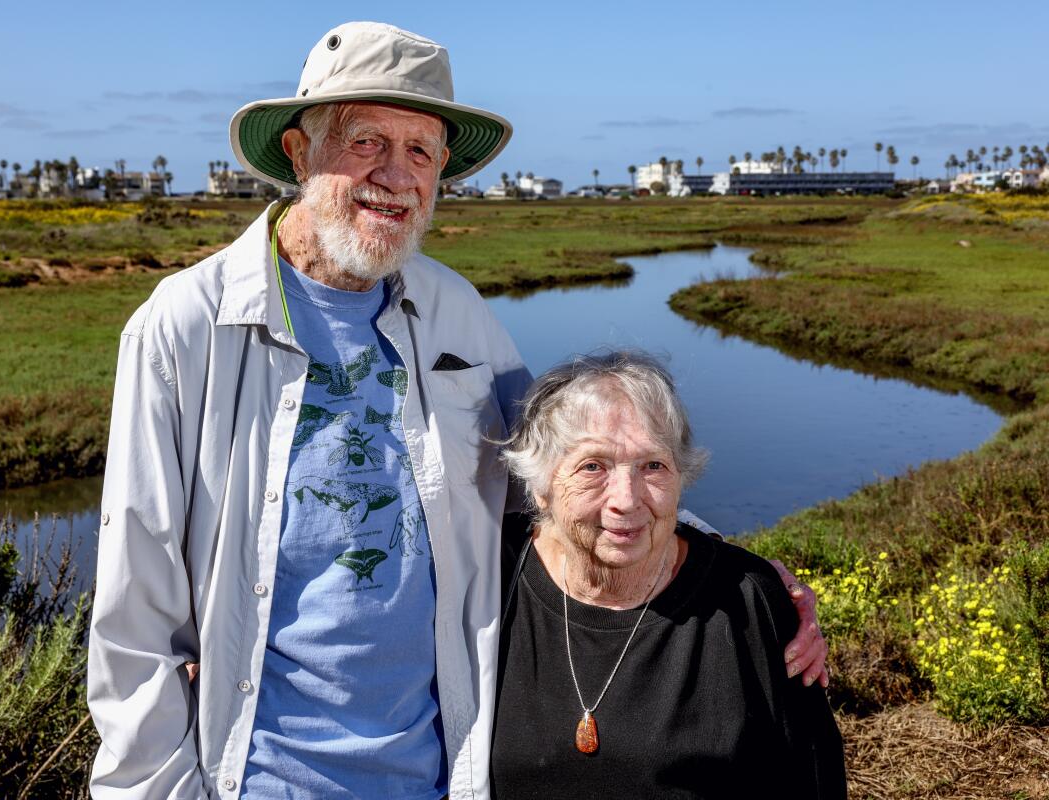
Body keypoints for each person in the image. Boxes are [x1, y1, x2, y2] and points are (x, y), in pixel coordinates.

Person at [86, 21, 828, 800]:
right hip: (253, 780)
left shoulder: (452, 311)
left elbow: (556, 469)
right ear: (300, 154)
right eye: (367, 142)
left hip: (438, 779)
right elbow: (134, 621)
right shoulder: (184, 327)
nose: (396, 176)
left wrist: (734, 572)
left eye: (420, 152)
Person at [491, 350, 846, 798]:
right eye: (592, 467)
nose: (627, 498)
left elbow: (812, 781)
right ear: (540, 486)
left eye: (653, 465)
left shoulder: (748, 602)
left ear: (682, 475)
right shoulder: (490, 580)